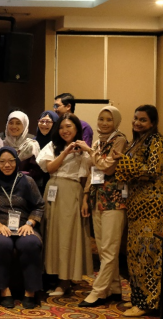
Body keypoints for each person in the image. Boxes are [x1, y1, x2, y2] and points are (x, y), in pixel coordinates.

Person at [0, 146, 45, 309]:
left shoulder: (27, 181)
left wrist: (30, 223)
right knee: (1, 244)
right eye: (2, 162)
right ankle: (4, 291)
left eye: (10, 161)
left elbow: (39, 206)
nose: (6, 165)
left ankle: (30, 292)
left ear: (16, 162)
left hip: (24, 225)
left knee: (30, 244)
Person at [76, 106, 127, 308]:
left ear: (116, 121)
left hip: (114, 200)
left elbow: (108, 167)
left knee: (109, 248)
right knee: (103, 247)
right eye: (101, 119)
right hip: (97, 198)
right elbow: (93, 172)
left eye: (109, 119)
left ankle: (98, 292)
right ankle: (113, 289)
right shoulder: (98, 142)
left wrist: (89, 151)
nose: (104, 123)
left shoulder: (119, 140)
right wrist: (86, 196)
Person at [36, 113, 93, 296]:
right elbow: (50, 168)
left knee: (67, 236)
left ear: (77, 129)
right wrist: (66, 152)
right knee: (52, 234)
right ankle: (52, 276)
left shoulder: (83, 149)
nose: (65, 130)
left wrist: (85, 200)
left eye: (69, 127)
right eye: (61, 127)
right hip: (52, 191)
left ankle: (65, 280)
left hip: (71, 193)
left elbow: (86, 178)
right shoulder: (53, 146)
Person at [115, 105, 163, 317]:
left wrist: (122, 160)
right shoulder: (136, 141)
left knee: (147, 256)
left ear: (152, 123)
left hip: (151, 208)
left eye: (142, 120)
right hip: (135, 206)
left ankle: (148, 303)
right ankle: (137, 298)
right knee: (134, 256)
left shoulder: (156, 141)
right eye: (135, 118)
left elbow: (153, 170)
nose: (137, 123)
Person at [3, 111, 41, 180]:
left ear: (24, 125)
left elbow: (36, 173)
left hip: (25, 186)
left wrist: (17, 176)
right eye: (11, 123)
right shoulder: (2, 145)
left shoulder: (31, 145)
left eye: (18, 123)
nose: (14, 126)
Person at [35, 110, 59, 193]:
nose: (44, 124)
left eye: (48, 121)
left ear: (55, 124)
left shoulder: (58, 143)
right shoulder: (32, 142)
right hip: (35, 184)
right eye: (42, 121)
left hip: (53, 183)